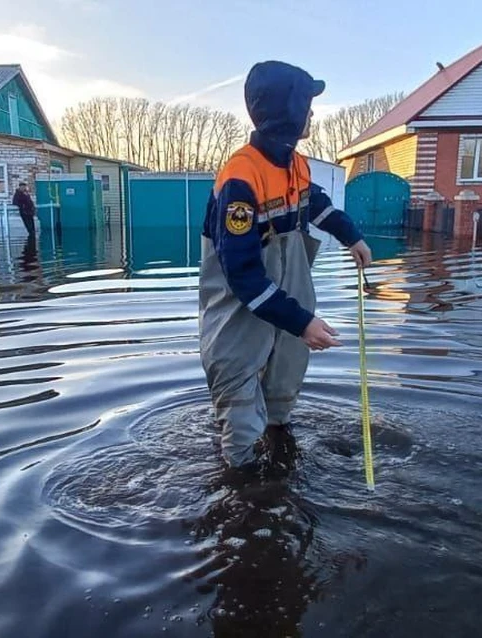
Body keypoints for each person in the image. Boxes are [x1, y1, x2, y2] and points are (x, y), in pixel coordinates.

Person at [198, 60, 372, 471]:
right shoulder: (240, 178)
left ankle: (278, 463)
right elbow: (242, 275)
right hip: (238, 315)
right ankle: (238, 503)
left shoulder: (296, 164)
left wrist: (352, 236)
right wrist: (303, 322)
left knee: (280, 396)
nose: (313, 113)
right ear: (288, 109)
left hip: (283, 307)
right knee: (239, 425)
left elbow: (315, 204)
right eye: (307, 103)